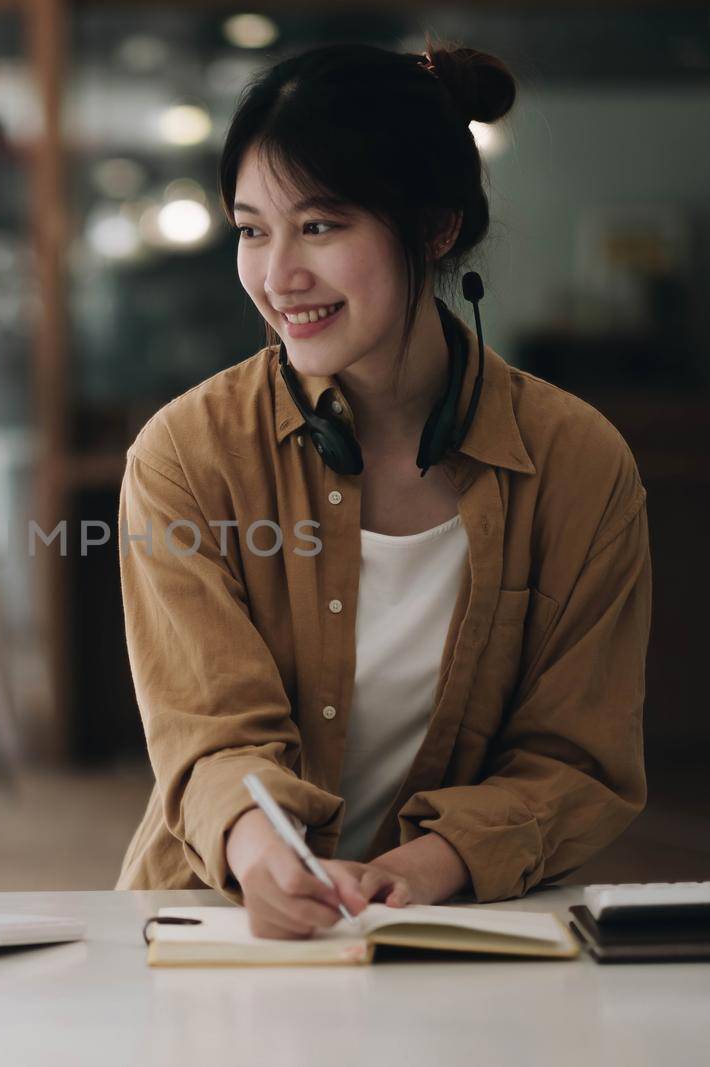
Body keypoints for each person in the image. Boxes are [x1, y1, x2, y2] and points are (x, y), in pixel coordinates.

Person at [114, 39, 651, 939]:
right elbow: (208, 735)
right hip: (221, 924)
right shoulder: (186, 456)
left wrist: (430, 865)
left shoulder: (579, 466)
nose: (279, 276)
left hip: (459, 931)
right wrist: (259, 847)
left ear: (436, 228)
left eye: (320, 226)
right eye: (252, 229)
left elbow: (577, 758)